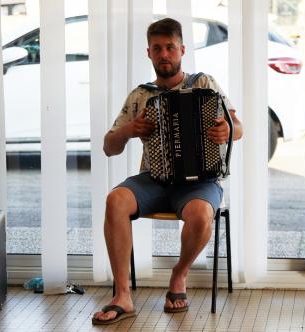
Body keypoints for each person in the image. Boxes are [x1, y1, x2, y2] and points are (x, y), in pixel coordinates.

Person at [92, 17, 243, 325]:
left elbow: (238, 127)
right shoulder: (140, 96)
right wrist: (130, 130)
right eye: (157, 48)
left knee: (202, 214)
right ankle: (122, 295)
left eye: (170, 47)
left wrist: (228, 129)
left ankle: (178, 275)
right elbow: (109, 146)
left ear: (182, 50)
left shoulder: (205, 85)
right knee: (115, 200)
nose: (164, 54)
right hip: (154, 180)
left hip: (200, 181)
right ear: (149, 53)